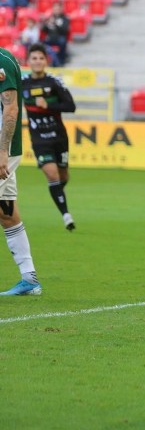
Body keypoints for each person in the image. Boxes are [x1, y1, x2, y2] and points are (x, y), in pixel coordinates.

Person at [0, 44, 41, 295]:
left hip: (3, 149)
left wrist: (2, 151)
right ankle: (30, 278)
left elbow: (11, 107)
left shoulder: (2, 60)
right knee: (6, 212)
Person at [21, 43, 76, 231]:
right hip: (39, 139)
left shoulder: (55, 82)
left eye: (40, 58)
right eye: (34, 58)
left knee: (63, 175)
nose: (37, 61)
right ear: (28, 61)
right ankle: (66, 216)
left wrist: (48, 106)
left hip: (59, 137)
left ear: (46, 61)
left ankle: (57, 191)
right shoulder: (23, 84)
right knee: (51, 174)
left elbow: (71, 106)